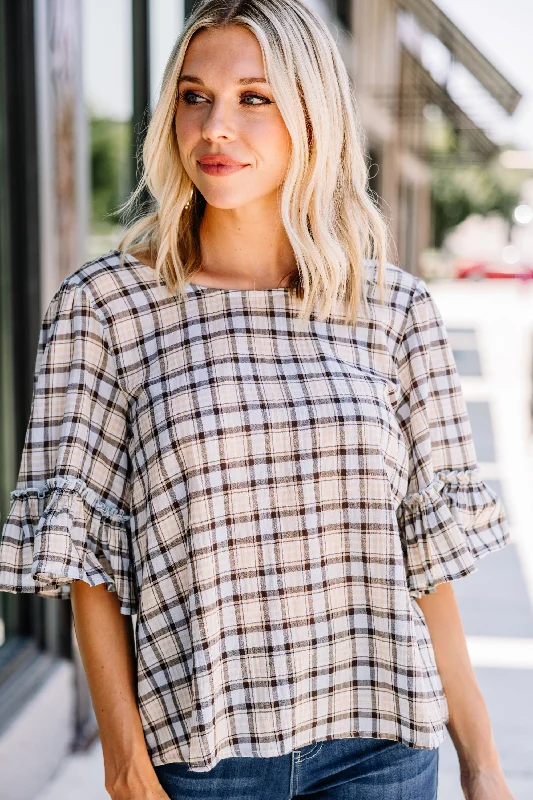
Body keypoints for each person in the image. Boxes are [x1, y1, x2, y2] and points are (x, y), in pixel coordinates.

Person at [0, 1, 514, 798]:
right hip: (201, 753)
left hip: (381, 744)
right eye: (194, 96)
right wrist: (124, 765)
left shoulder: (394, 309)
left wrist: (481, 760)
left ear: (313, 112)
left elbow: (424, 556)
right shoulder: (106, 307)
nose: (215, 126)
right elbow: (86, 559)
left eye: (254, 97)